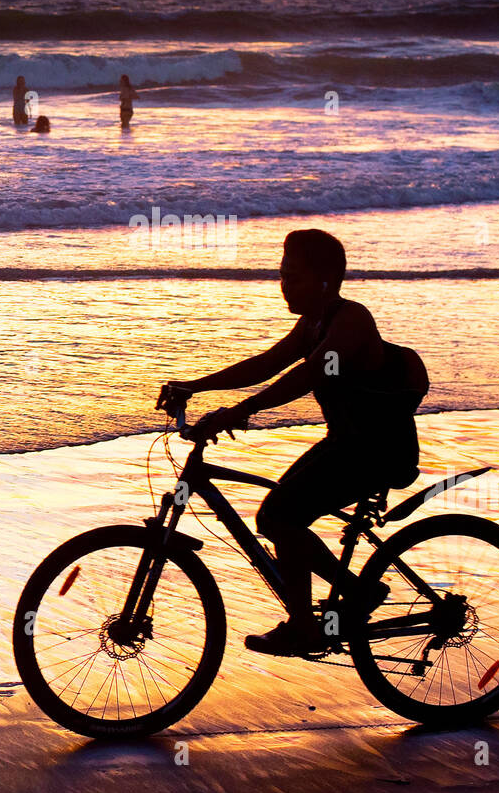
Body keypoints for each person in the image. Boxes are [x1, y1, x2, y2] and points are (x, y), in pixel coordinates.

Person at [159, 229, 423, 657]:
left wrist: (238, 412)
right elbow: (265, 365)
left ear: (325, 280)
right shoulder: (311, 325)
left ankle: (315, 618)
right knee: (278, 515)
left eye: (294, 277)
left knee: (280, 517)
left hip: (378, 451)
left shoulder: (352, 320)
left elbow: (311, 374)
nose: (284, 286)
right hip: (345, 444)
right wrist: (194, 386)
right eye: (283, 275)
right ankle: (345, 600)